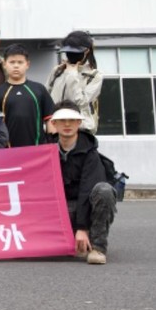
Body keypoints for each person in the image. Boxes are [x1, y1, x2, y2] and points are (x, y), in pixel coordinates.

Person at [50, 102, 117, 264]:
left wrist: (82, 227)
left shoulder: (90, 153)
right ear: (54, 123)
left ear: (79, 122)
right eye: (62, 120)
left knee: (104, 191)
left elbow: (87, 190)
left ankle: (98, 247)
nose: (67, 124)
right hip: (57, 210)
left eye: (72, 120)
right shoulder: (45, 148)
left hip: (84, 208)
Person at [0, 44, 57, 148]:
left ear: (27, 64)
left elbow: (50, 119)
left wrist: (52, 144)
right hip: (8, 151)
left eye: (20, 62)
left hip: (37, 149)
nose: (16, 66)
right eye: (12, 62)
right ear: (4, 64)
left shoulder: (39, 89)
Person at [46, 31, 103, 134]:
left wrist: (72, 74)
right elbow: (46, 97)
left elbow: (81, 102)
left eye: (76, 52)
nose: (71, 55)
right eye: (68, 52)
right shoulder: (57, 71)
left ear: (87, 51)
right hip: (55, 127)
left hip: (80, 129)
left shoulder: (94, 75)